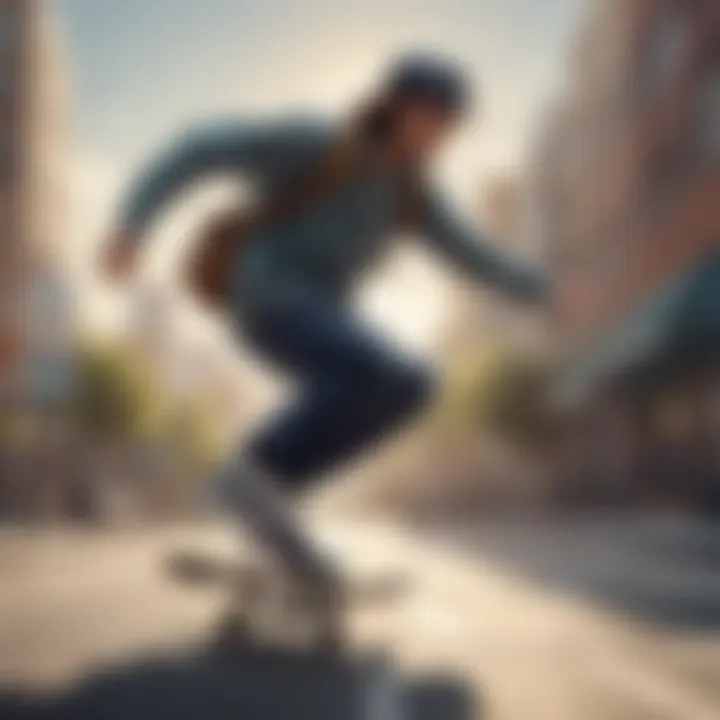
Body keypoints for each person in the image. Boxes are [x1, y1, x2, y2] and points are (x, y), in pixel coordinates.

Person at [101, 52, 550, 632]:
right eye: (428, 118)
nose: (437, 135)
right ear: (393, 107)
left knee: (413, 384)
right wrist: (132, 225)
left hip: (320, 317)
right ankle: (250, 479)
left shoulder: (415, 195)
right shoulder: (319, 142)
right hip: (267, 297)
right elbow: (199, 147)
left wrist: (551, 292)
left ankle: (271, 495)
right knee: (375, 368)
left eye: (449, 126)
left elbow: (474, 255)